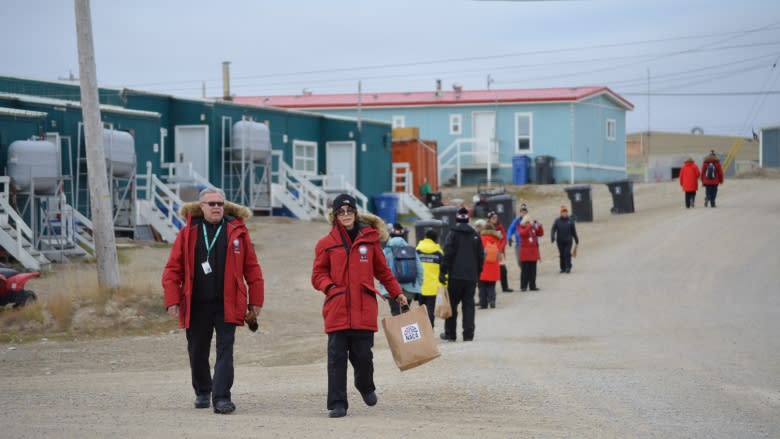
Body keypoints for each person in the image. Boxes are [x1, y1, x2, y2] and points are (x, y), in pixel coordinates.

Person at [162, 187, 264, 415]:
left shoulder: (237, 231)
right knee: (197, 349)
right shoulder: (189, 232)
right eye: (211, 204)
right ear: (202, 207)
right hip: (196, 303)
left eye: (219, 203)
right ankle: (203, 390)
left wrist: (255, 301)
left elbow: (252, 268)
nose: (216, 207)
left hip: (228, 303)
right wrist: (172, 299)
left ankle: (222, 398)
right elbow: (172, 269)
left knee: (225, 349)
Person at [311, 194, 408, 419]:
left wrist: (397, 293)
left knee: (363, 356)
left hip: (364, 309)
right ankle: (337, 403)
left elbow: (383, 271)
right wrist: (330, 287)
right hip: (337, 309)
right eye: (341, 212)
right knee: (336, 359)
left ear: (355, 213)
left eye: (349, 211)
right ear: (335, 216)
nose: (346, 215)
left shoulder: (370, 240)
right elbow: (317, 274)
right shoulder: (326, 244)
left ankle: (365, 386)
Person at [439, 207, 484, 342]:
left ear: (457, 219)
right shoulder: (475, 235)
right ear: (468, 219)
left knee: (452, 305)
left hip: (455, 277)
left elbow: (448, 253)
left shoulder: (452, 234)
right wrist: (477, 273)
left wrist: (443, 271)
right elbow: (481, 257)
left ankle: (450, 334)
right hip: (470, 277)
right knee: (469, 305)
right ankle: (468, 334)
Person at [381, 223, 424, 316]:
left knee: (396, 314)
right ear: (403, 236)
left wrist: (383, 286)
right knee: (406, 314)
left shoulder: (386, 251)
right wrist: (417, 286)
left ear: (391, 235)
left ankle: (397, 330)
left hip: (391, 289)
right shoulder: (411, 250)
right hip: (409, 289)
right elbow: (420, 270)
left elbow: (380, 270)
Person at [416, 229, 444, 328]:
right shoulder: (439, 252)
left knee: (421, 309)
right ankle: (430, 328)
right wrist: (445, 285)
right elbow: (443, 270)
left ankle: (423, 328)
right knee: (431, 309)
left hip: (420, 285)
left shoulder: (418, 250)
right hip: (433, 286)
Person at [478, 222, 502, 309]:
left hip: (483, 266)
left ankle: (483, 303)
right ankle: (492, 300)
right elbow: (499, 255)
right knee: (491, 285)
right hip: (494, 266)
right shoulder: (497, 239)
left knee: (482, 286)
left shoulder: (481, 239)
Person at [487, 210, 513, 292]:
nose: (495, 219)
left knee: (503, 270)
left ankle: (505, 287)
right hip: (490, 252)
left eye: (496, 218)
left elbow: (504, 239)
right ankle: (490, 289)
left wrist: (500, 250)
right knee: (490, 270)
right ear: (490, 219)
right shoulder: (487, 228)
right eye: (493, 218)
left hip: (500, 252)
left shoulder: (500, 227)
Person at [518, 215, 544, 291]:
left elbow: (540, 234)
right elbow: (523, 233)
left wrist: (539, 226)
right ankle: (523, 286)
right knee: (525, 271)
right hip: (525, 253)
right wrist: (530, 225)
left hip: (533, 253)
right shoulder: (521, 227)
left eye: (529, 222)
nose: (528, 223)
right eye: (527, 222)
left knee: (533, 271)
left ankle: (532, 285)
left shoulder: (532, 228)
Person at [550, 205, 579, 274]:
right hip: (560, 240)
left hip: (568, 240)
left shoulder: (570, 221)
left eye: (565, 211)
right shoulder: (557, 220)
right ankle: (562, 268)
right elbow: (553, 229)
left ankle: (568, 267)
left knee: (567, 253)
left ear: (567, 212)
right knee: (562, 254)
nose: (564, 213)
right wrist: (552, 236)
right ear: (561, 213)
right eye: (563, 212)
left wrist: (576, 239)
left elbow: (573, 231)